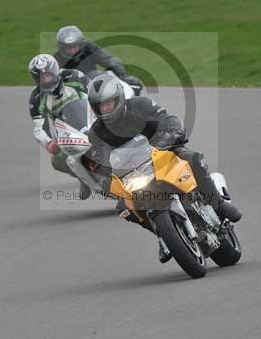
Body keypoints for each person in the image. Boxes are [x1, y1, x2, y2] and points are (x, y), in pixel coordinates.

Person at [85, 73, 242, 260]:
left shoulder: (140, 105)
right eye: (100, 106)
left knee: (191, 158)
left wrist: (173, 133)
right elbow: (98, 161)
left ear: (118, 98)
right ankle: (162, 235)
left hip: (163, 151)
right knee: (123, 207)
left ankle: (220, 204)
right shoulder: (95, 133)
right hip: (133, 172)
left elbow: (167, 119)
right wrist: (105, 181)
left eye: (108, 103)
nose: (105, 110)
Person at [28, 54, 92, 198]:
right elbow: (38, 128)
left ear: (55, 71)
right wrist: (48, 143)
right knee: (58, 161)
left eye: (48, 75)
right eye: (42, 78)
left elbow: (95, 92)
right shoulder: (36, 98)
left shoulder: (73, 76)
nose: (46, 80)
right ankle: (83, 177)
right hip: (64, 129)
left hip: (89, 117)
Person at [54, 25, 143, 91]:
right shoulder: (56, 60)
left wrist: (123, 76)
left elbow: (109, 60)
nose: (72, 51)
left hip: (95, 85)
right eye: (68, 48)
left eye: (75, 46)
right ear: (62, 47)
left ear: (80, 44)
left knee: (134, 84)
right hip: (72, 92)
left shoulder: (89, 48)